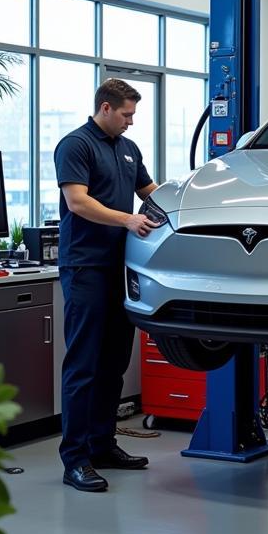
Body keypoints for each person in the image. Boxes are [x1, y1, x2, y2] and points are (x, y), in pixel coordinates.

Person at [54, 79, 158, 492]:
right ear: (106, 108)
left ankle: (102, 445)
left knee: (114, 362)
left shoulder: (128, 149)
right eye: (127, 115)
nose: (131, 122)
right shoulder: (75, 145)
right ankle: (75, 460)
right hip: (86, 266)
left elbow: (149, 192)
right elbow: (78, 201)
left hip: (122, 266)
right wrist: (128, 219)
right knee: (84, 365)